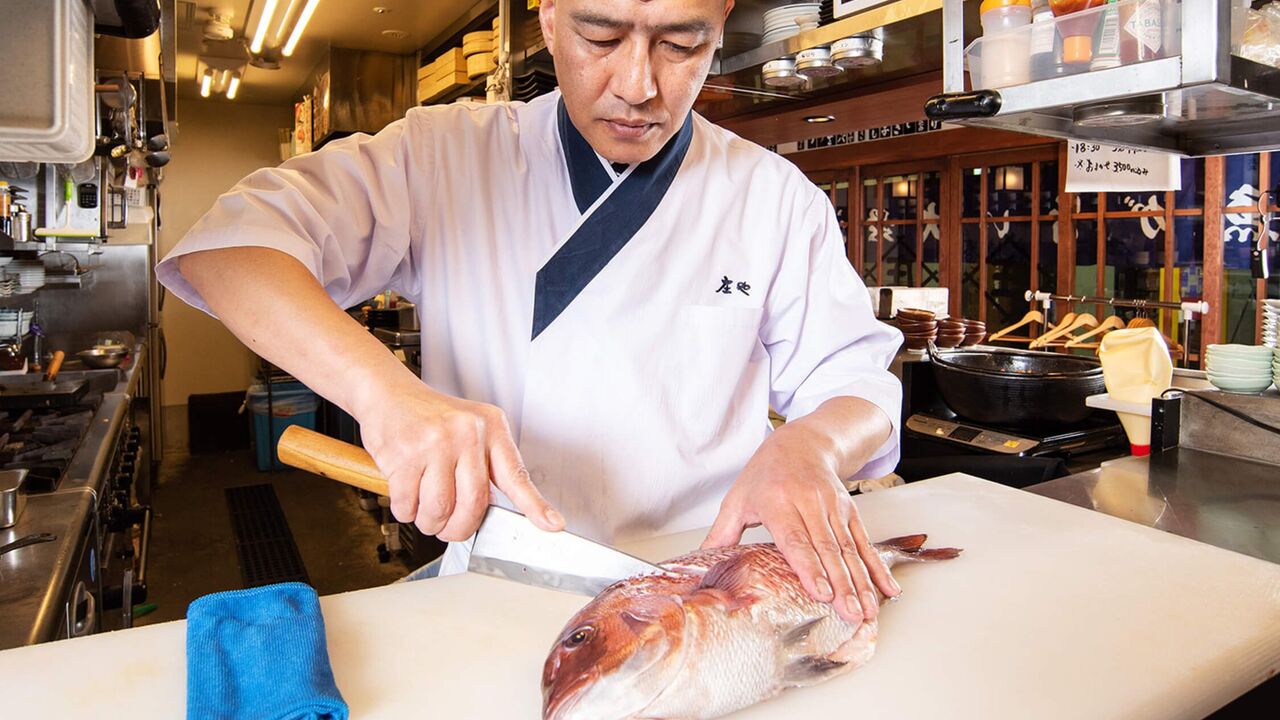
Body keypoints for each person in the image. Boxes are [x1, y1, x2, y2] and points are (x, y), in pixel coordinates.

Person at [158, 0, 903, 625]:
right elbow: (228, 250)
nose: (638, 86)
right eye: (600, 37)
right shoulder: (444, 157)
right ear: (547, 20)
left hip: (702, 593)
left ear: (720, 25)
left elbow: (857, 384)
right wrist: (386, 394)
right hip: (498, 588)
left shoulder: (773, 196)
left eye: (682, 45)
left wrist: (811, 446)